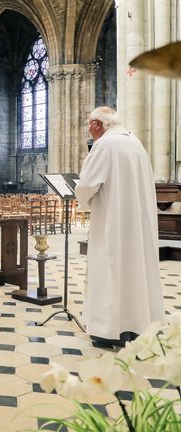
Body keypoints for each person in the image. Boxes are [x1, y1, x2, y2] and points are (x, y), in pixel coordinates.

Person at [75, 106, 165, 345]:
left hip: (112, 223)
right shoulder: (136, 144)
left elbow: (86, 186)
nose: (89, 130)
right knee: (135, 272)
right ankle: (137, 326)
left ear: (96, 124)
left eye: (88, 125)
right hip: (138, 225)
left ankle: (107, 331)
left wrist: (82, 200)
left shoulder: (105, 145)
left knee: (110, 271)